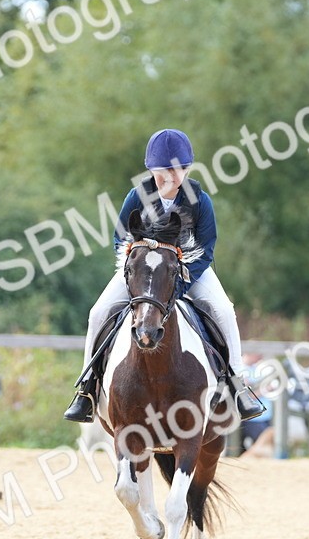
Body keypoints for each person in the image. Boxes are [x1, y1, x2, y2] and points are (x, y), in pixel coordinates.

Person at [63, 128, 266, 423]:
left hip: (188, 269)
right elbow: (121, 239)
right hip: (142, 272)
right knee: (98, 312)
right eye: (162, 171)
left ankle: (238, 385)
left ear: (187, 169)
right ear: (151, 170)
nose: (170, 176)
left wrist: (180, 284)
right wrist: (135, 272)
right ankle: (87, 389)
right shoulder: (137, 196)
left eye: (177, 169)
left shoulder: (200, 200)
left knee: (224, 310)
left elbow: (207, 248)